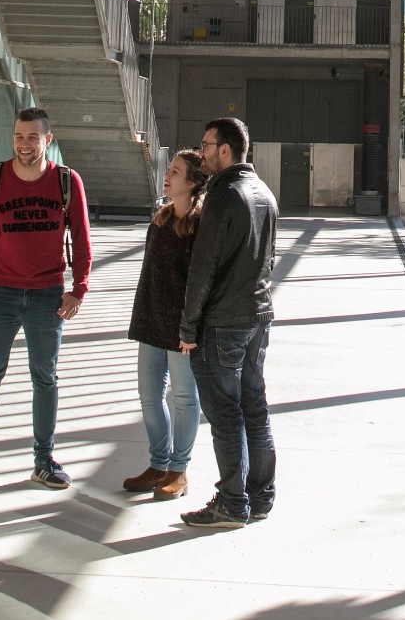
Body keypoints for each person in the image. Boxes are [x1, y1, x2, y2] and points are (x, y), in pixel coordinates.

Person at [0, 106, 91, 495]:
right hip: (0, 293)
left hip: (48, 295)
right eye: (18, 136)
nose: (24, 144)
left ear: (48, 140)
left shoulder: (66, 181)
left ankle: (44, 461)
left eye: (32, 137)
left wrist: (79, 288)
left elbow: (82, 237)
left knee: (45, 379)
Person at [177, 115, 279, 530]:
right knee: (255, 407)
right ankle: (261, 496)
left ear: (225, 149)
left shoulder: (222, 195)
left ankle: (233, 503)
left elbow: (203, 268)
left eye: (205, 146)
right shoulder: (264, 193)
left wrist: (188, 327)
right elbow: (269, 260)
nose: (200, 152)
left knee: (225, 415)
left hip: (223, 321)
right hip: (258, 316)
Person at [123, 148, 208, 500]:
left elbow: (201, 282)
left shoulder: (201, 225)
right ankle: (158, 463)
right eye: (168, 169)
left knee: (185, 398)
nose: (166, 175)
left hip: (183, 327)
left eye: (175, 171)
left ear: (192, 182)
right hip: (151, 319)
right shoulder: (159, 219)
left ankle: (179, 469)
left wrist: (192, 326)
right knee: (149, 396)